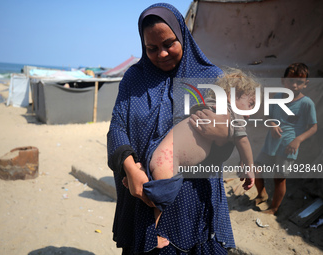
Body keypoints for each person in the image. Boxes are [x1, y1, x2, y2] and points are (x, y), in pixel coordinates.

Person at [108, 3, 237, 254]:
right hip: (143, 196)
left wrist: (223, 136)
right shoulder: (134, 78)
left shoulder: (211, 78)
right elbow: (117, 126)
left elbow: (225, 145)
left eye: (169, 44)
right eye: (152, 48)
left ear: (183, 35)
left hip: (193, 200)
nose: (162, 54)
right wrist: (130, 168)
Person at [124, 69, 257, 227]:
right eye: (251, 104)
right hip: (169, 161)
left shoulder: (208, 104)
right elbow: (243, 141)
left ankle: (142, 172)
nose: (250, 113)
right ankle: (155, 233)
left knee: (161, 189)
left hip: (162, 153)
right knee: (160, 200)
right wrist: (249, 166)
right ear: (232, 95)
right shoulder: (233, 115)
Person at [254, 63, 317, 215]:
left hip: (288, 146)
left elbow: (313, 127)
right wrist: (272, 124)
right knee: (256, 168)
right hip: (271, 144)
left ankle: (274, 208)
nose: (294, 85)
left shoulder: (306, 103)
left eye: (299, 82)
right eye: (290, 81)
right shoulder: (277, 97)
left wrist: (298, 140)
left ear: (306, 84)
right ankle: (261, 194)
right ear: (283, 81)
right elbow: (267, 117)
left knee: (279, 178)